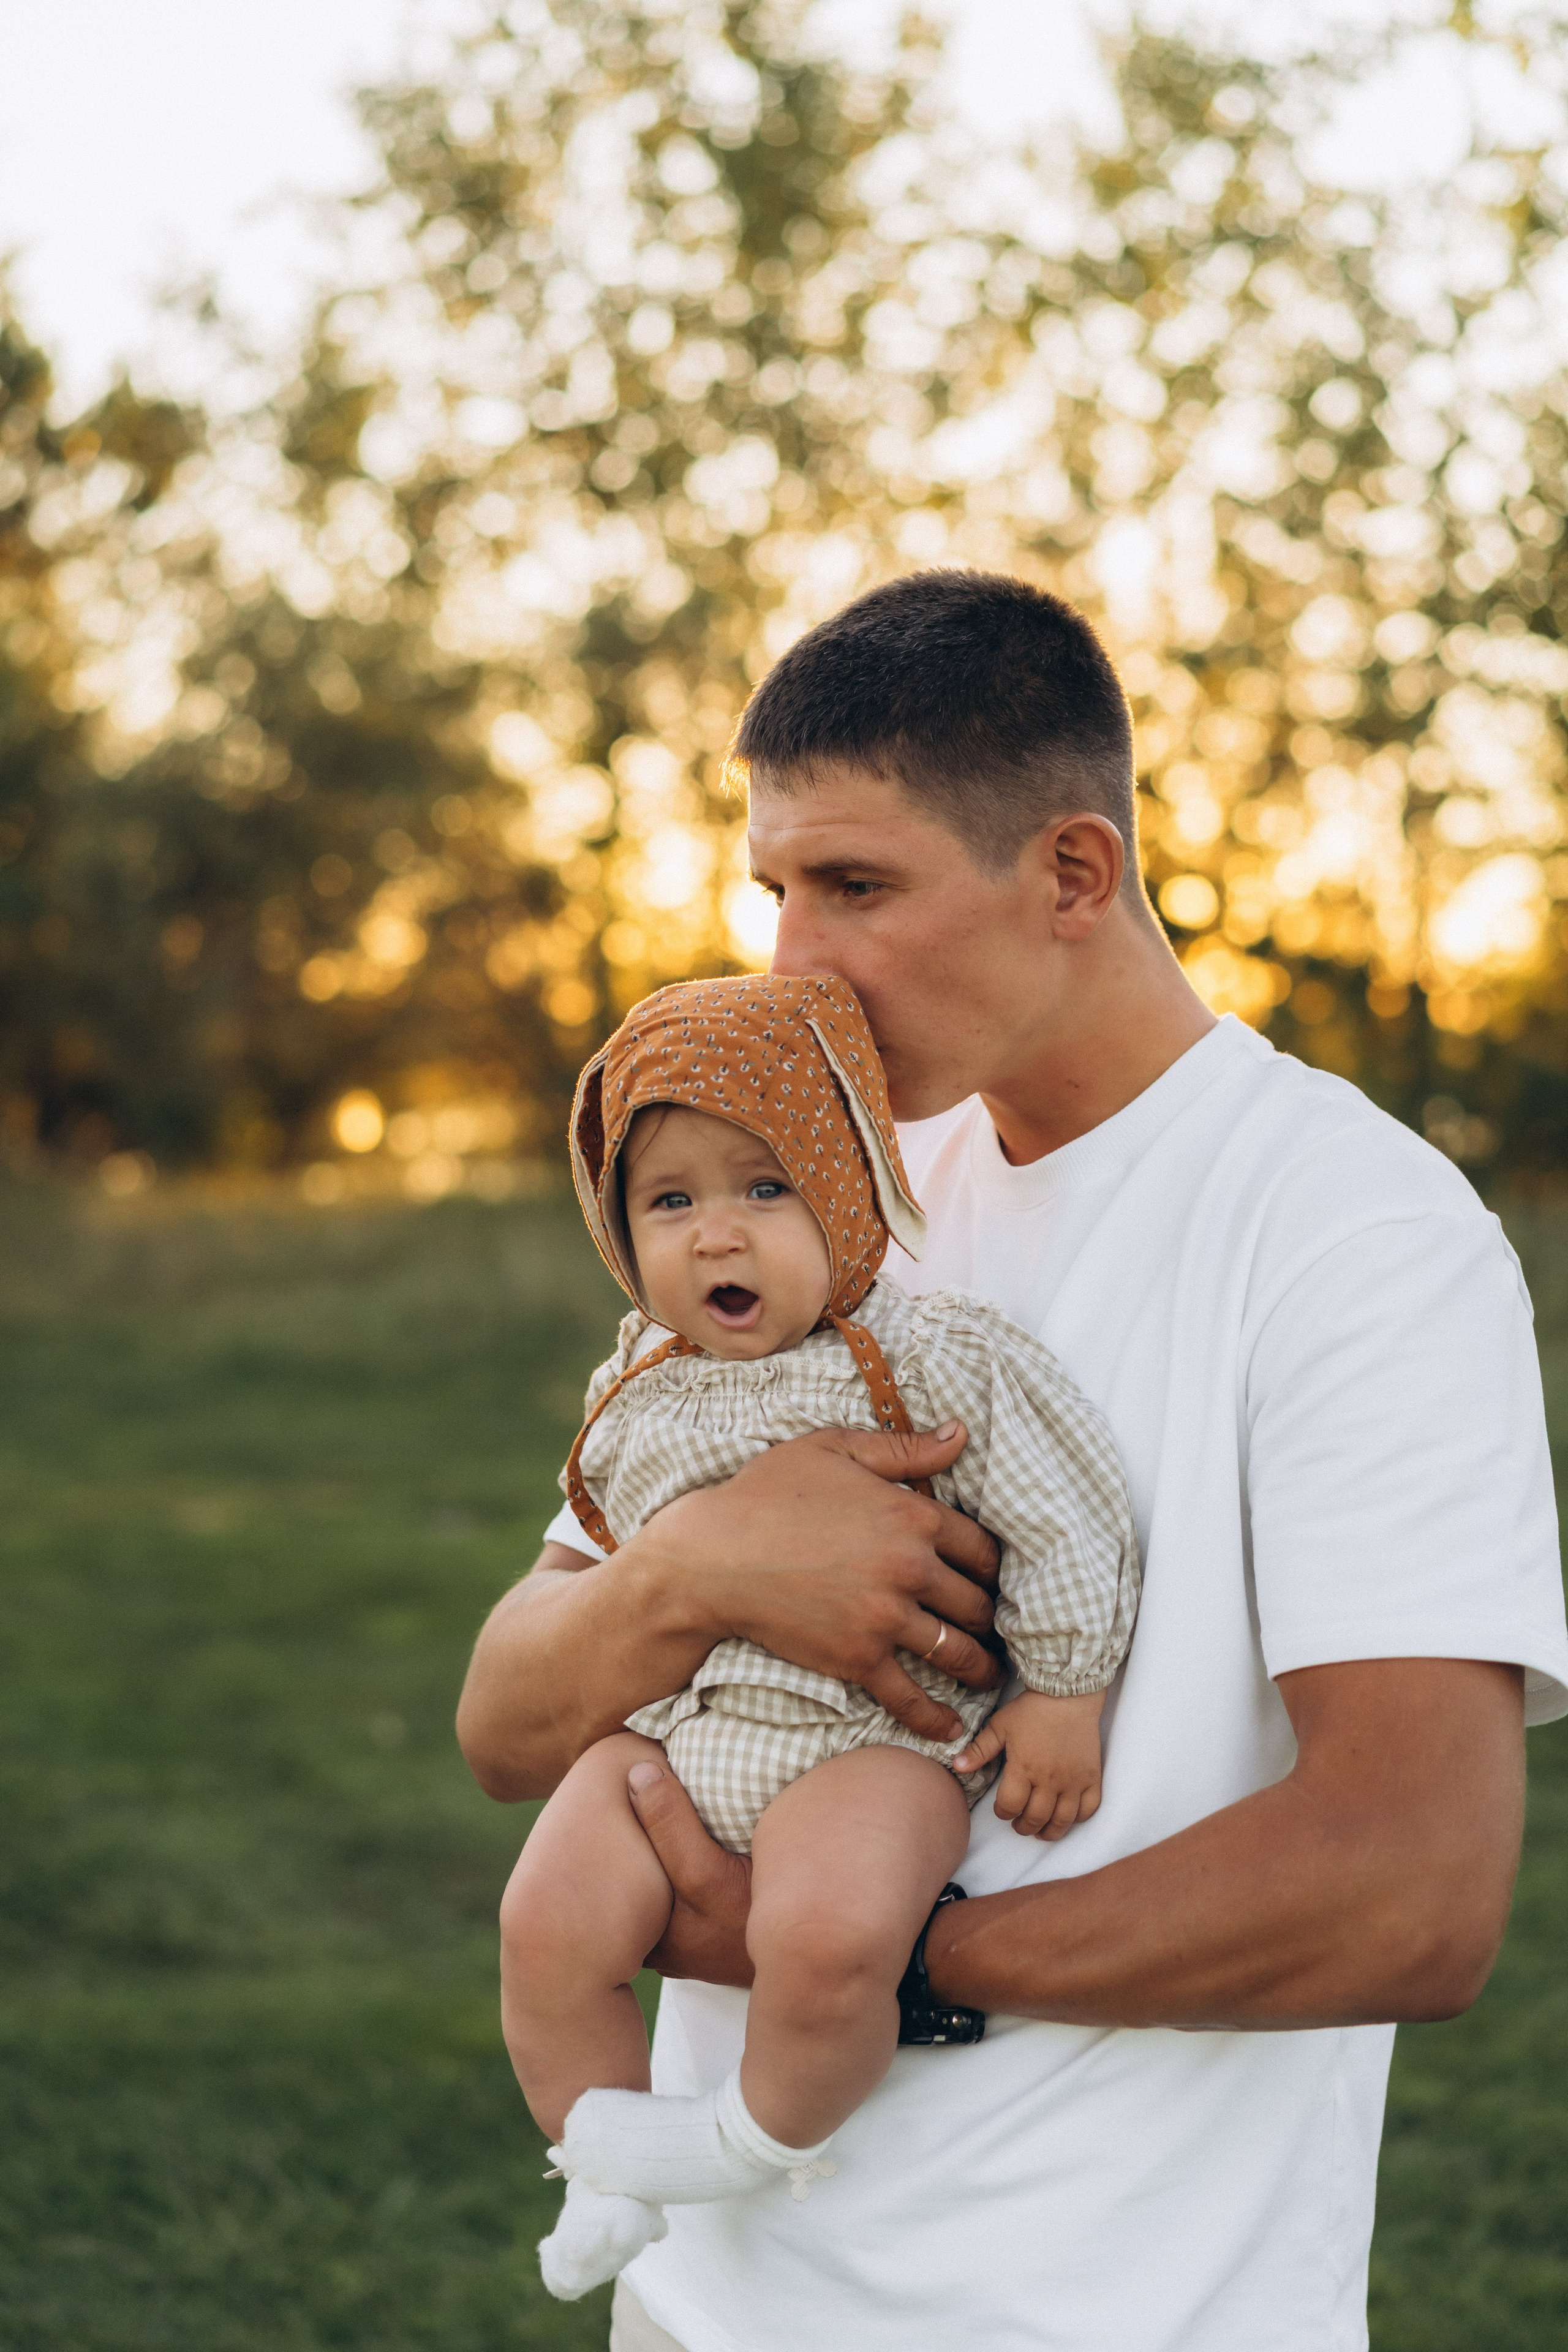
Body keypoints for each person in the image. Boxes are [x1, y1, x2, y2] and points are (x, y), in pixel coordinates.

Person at [458, 570, 1568, 2352]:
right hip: (701, 2301)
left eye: (858, 888)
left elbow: (1411, 1893)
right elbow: (511, 1725)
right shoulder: (797, 1202)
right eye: (776, 892)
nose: (793, 960)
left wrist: (873, 1953)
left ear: (1072, 874)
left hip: (1097, 2312)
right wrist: (696, 1574)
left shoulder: (1354, 1231)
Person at [505, 974, 1139, 2301]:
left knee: (831, 1935)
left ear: (847, 1191)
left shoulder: (929, 1360)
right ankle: (600, 2158)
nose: (714, 1239)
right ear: (617, 1228)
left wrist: (1065, 1692)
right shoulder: (634, 1380)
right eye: (668, 1202)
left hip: (867, 1738)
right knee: (542, 1919)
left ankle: (745, 2139)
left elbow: (1063, 1513)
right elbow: (598, 1568)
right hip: (676, 1733)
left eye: (762, 1189)